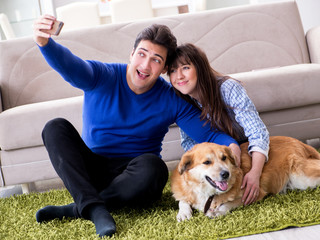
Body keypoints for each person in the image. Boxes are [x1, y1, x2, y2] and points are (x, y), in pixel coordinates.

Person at [32, 15, 241, 238]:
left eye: (156, 59)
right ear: (131, 54)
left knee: (156, 167)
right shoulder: (103, 75)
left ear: (163, 69)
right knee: (55, 127)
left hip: (137, 178)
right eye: (142, 54)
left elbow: (209, 133)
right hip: (92, 168)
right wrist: (44, 43)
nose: (145, 64)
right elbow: (72, 66)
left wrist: (233, 149)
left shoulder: (171, 98)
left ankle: (80, 207)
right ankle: (95, 209)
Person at [168, 43, 270, 206]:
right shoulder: (182, 99)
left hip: (244, 151)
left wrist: (255, 173)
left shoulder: (227, 88)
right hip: (218, 159)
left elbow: (258, 133)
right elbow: (190, 143)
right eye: (172, 71)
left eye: (185, 68)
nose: (178, 76)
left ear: (199, 68)